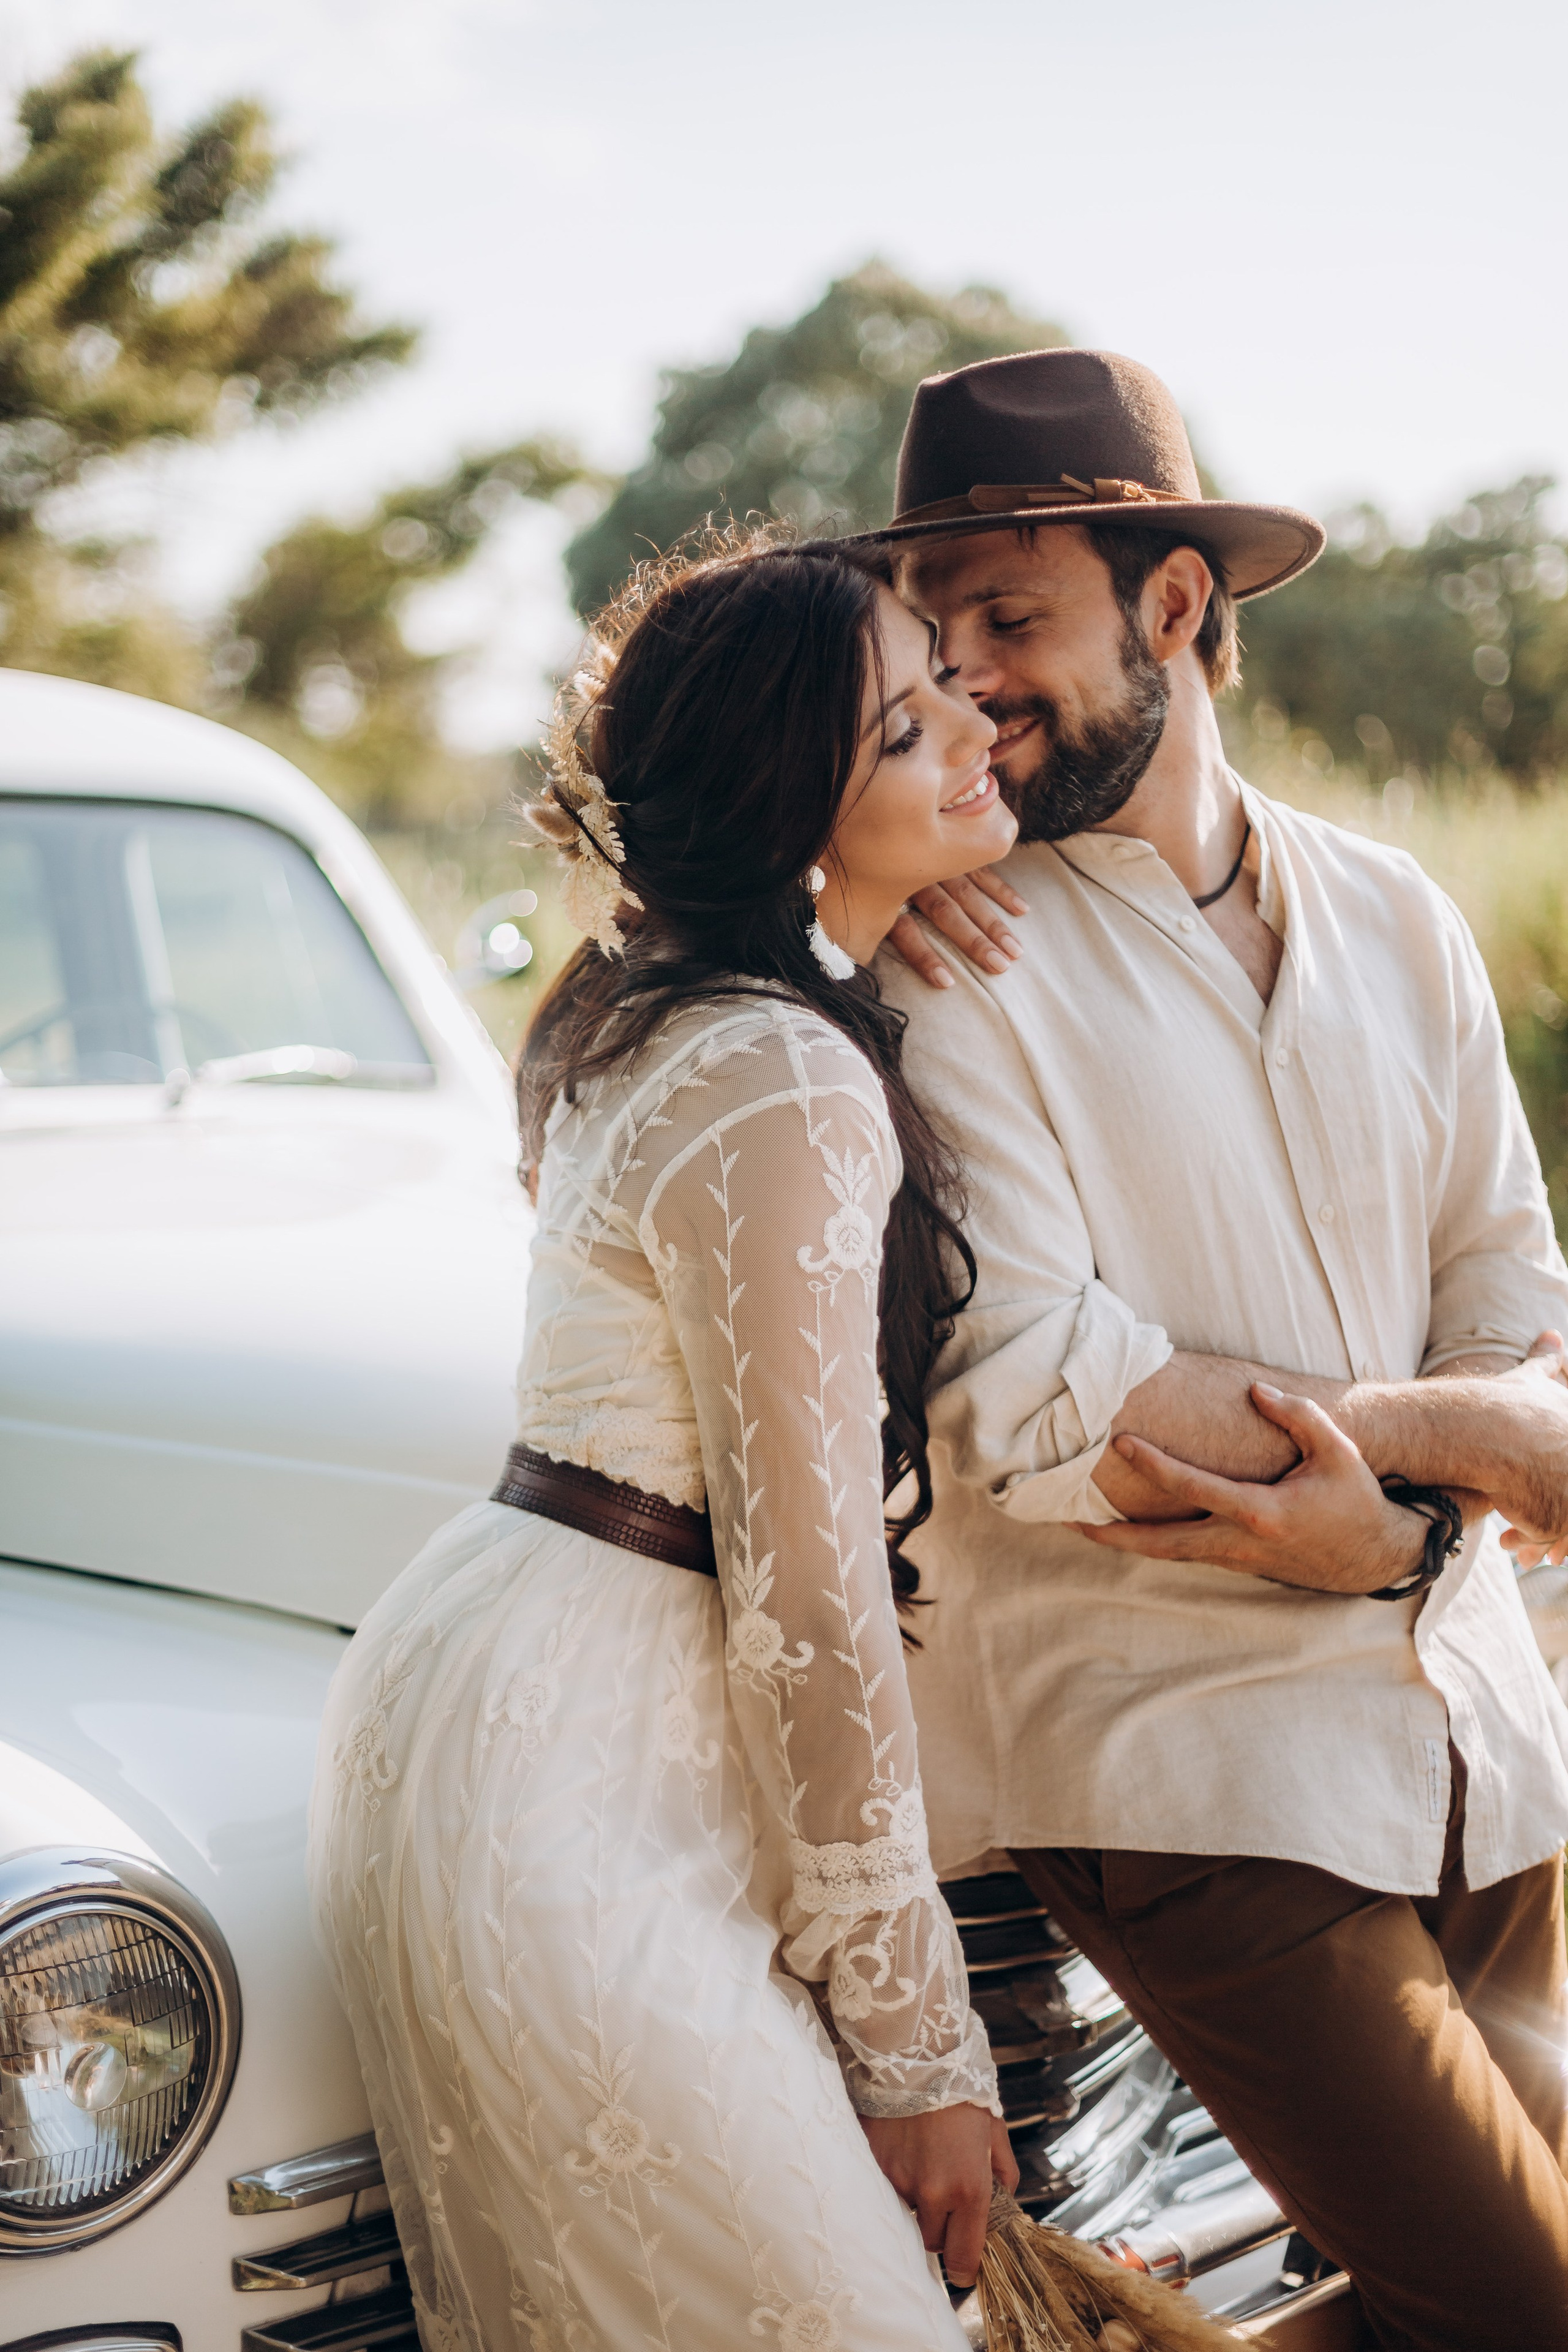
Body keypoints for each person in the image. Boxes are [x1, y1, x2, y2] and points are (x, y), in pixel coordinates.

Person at [859, 345, 1568, 2351]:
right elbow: (1044, 1395)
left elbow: (1516, 1295)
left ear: (1174, 606)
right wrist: (1450, 1440)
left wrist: (1408, 1532)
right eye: (932, 628)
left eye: (1011, 619)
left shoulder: (1401, 916)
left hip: (1481, 1730)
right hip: (1187, 1763)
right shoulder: (952, 952)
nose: (964, 678)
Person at [307, 529, 1024, 2352]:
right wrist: (919, 2049)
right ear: (790, 816)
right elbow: (810, 1593)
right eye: (902, 732)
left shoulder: (670, 1018)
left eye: (947, 687)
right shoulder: (783, 1070)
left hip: (499, 1693)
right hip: (571, 1783)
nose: (973, 728)